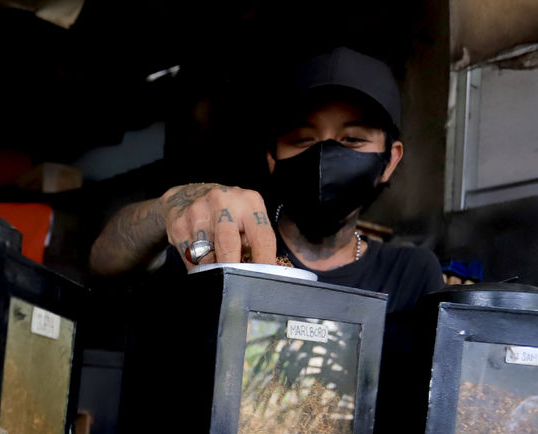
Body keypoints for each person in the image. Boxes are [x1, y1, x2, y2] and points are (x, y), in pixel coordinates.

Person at [89, 47, 443, 313]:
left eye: (352, 140)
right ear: (273, 158)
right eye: (304, 139)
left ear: (389, 160)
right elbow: (103, 260)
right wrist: (170, 207)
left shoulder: (410, 273)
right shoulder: (219, 240)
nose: (324, 157)